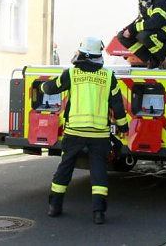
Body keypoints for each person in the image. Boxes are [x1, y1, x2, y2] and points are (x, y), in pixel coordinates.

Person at [41, 37, 129, 225]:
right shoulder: (108, 77)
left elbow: (50, 88)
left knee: (65, 168)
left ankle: (54, 206)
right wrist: (123, 127)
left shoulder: (72, 74)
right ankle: (98, 213)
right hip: (99, 134)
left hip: (75, 132)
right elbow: (117, 106)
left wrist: (42, 86)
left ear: (83, 54)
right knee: (98, 172)